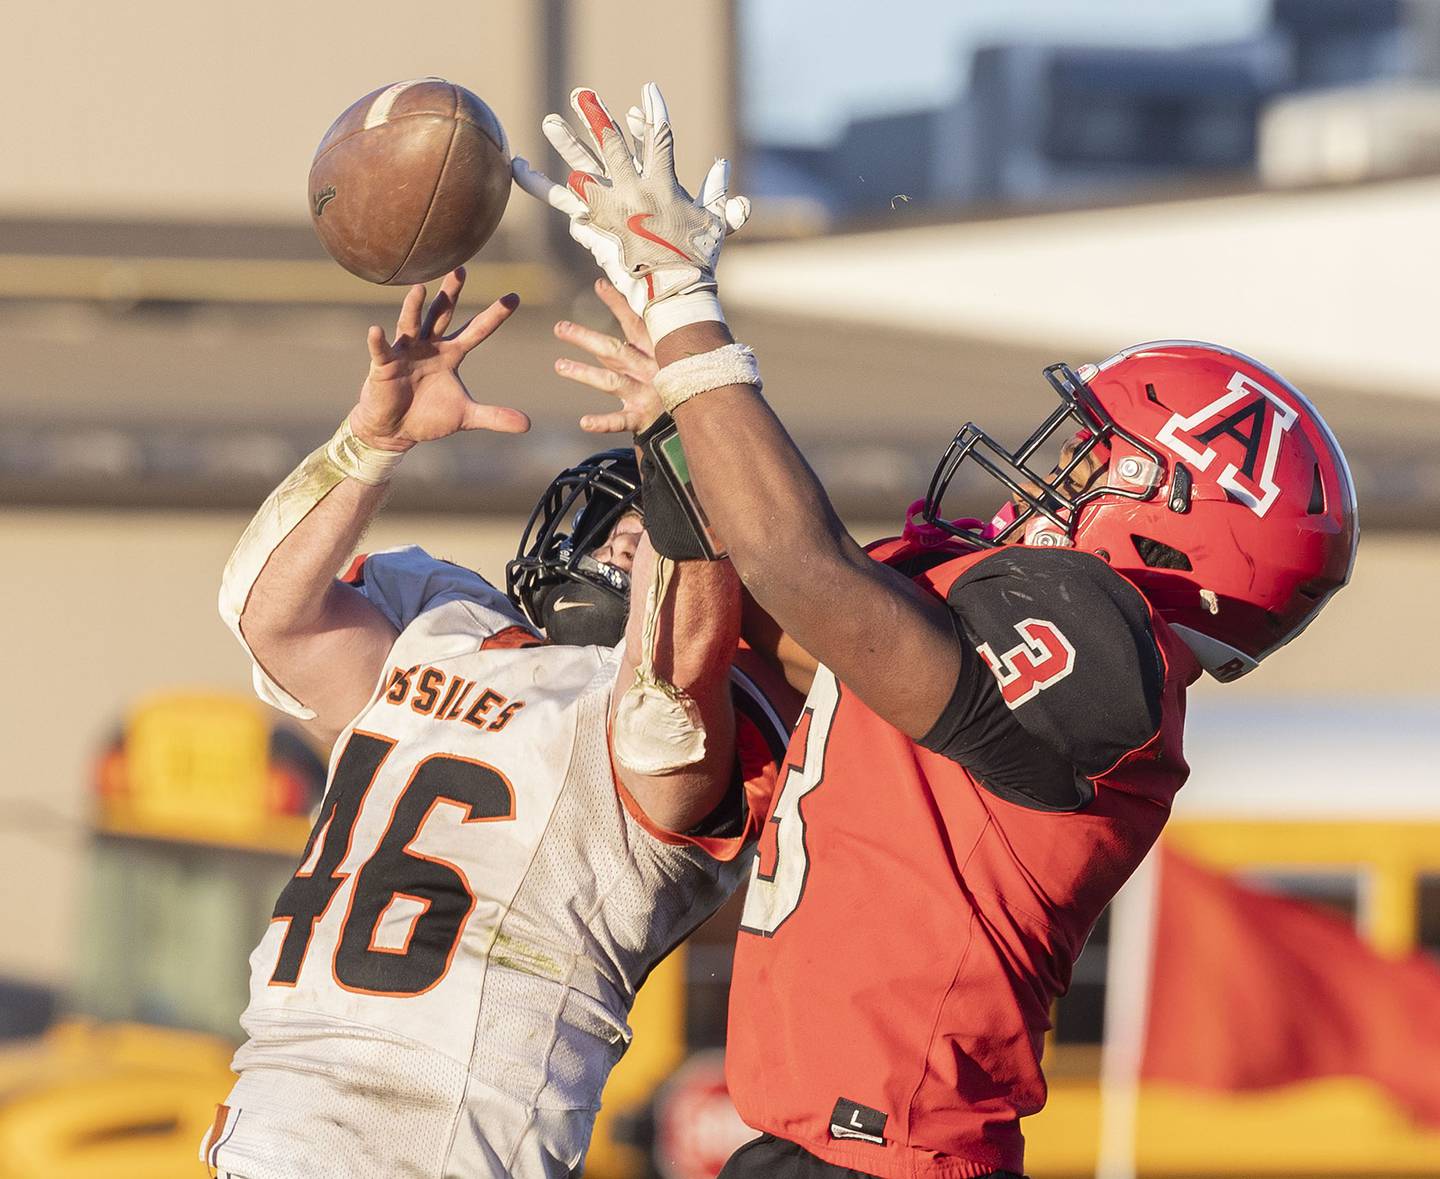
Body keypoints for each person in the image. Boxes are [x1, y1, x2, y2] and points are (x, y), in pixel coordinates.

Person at [518, 84, 1359, 1179]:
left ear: (1170, 517)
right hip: (811, 1144)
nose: (1058, 468)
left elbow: (800, 569)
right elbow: (778, 625)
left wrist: (689, 315)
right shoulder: (991, 622)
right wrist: (680, 446)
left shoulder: (1114, 671)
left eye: (1097, 457)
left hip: (890, 1157)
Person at [200, 270, 796, 1179]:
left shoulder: (661, 724)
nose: (631, 536)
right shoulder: (443, 623)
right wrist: (370, 442)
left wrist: (688, 435)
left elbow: (665, 690)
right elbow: (265, 612)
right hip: (266, 1126)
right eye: (620, 515)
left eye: (658, 518)